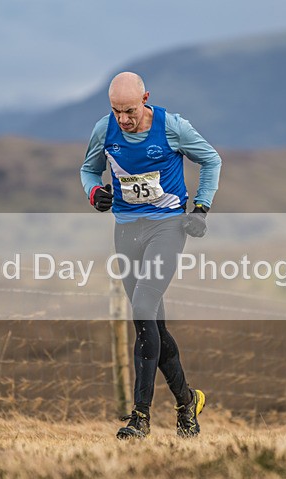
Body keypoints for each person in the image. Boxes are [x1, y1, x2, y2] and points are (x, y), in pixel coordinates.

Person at [80, 71, 222, 439]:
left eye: (129, 111)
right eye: (116, 111)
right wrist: (95, 193)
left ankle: (139, 418)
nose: (123, 119)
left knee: (143, 308)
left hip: (167, 227)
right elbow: (89, 170)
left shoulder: (172, 127)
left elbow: (211, 160)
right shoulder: (104, 130)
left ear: (145, 99)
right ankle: (187, 402)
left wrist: (201, 208)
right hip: (127, 230)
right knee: (151, 325)